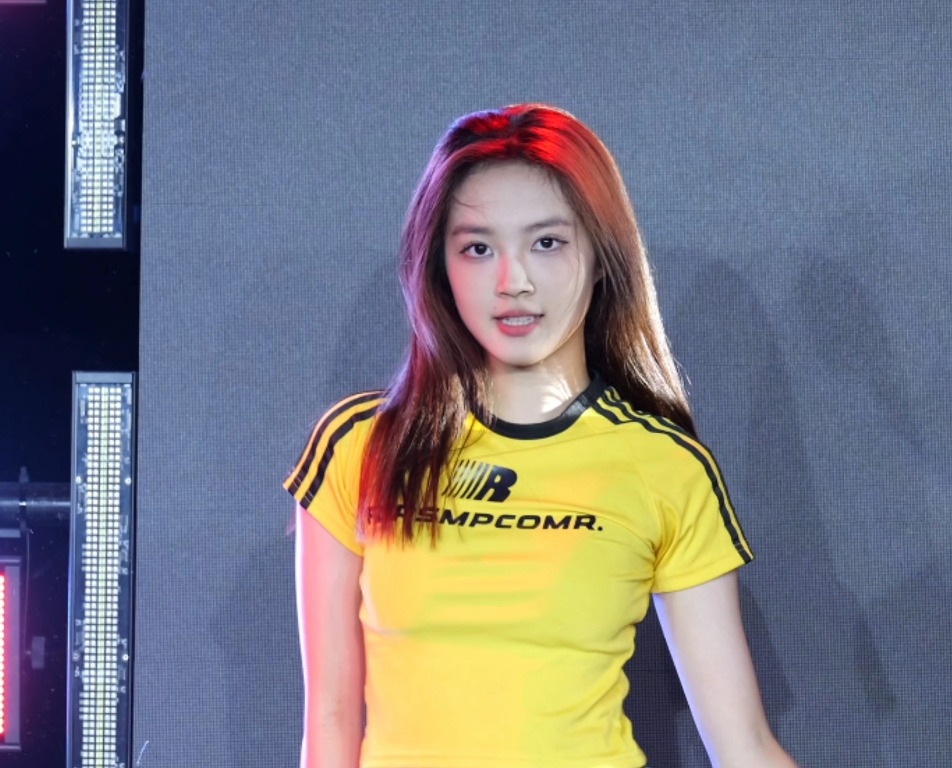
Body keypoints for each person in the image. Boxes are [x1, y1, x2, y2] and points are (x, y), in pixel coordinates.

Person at [285, 104, 798, 768]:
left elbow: (745, 746)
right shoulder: (359, 447)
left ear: (602, 254)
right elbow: (329, 723)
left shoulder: (663, 466)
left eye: (547, 243)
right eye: (478, 248)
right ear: (439, 265)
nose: (514, 283)